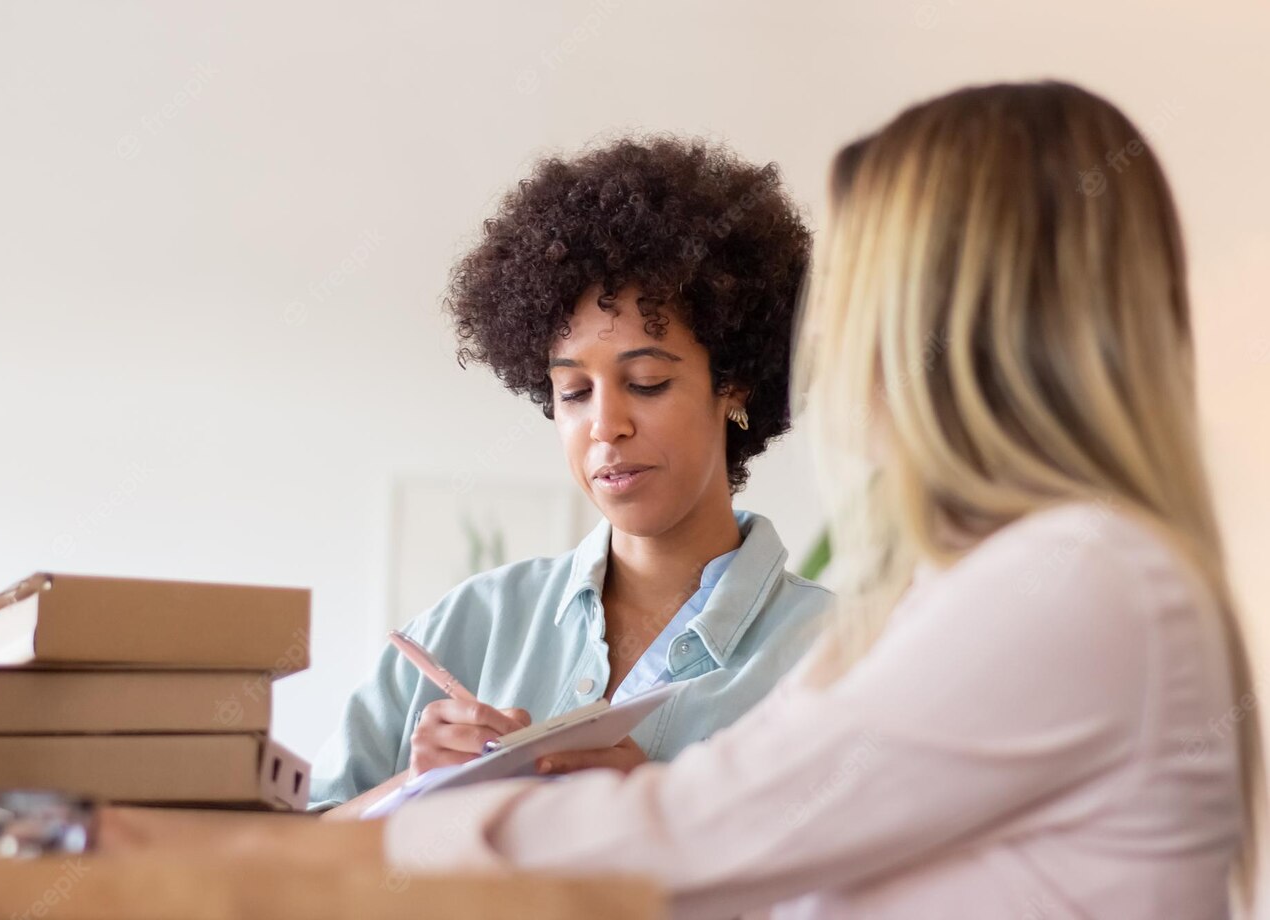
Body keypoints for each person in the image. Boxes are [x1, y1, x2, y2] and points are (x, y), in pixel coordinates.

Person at [367, 82, 1264, 919]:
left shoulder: (1080, 580)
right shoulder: (977, 589)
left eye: (859, 284)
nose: (832, 338)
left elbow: (711, 830)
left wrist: (409, 836)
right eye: (574, 391)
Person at [310, 136, 832, 815]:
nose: (604, 426)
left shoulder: (833, 655)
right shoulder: (472, 625)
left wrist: (662, 817)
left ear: (733, 384)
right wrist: (415, 788)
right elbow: (286, 860)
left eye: (646, 382)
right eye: (575, 393)